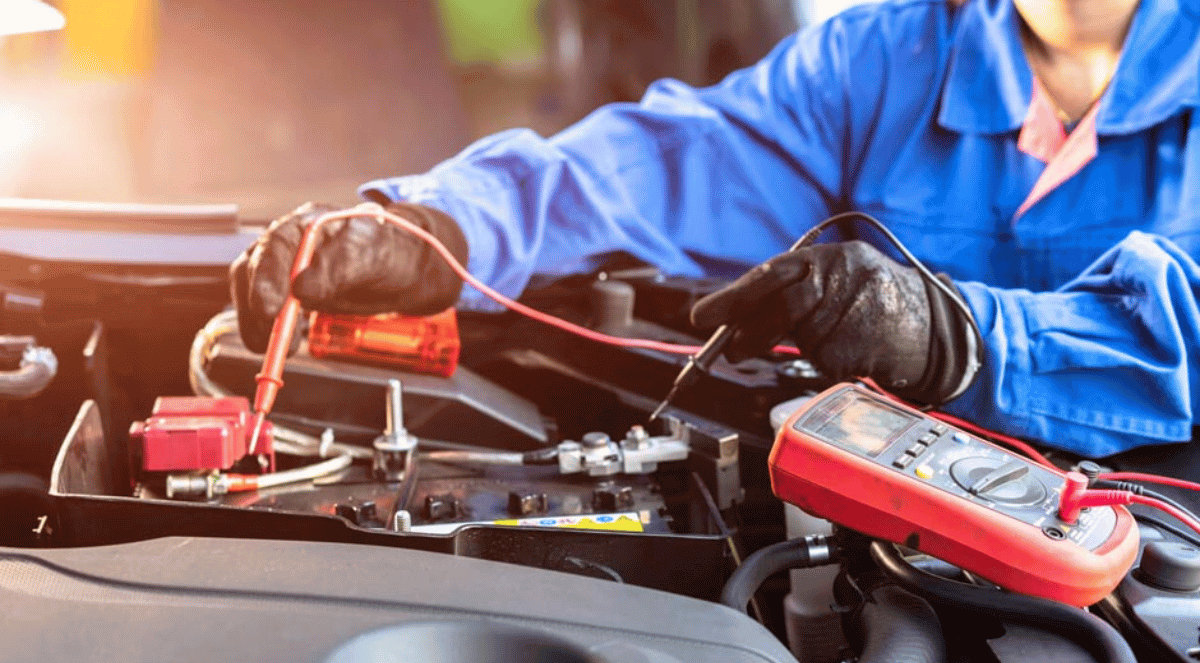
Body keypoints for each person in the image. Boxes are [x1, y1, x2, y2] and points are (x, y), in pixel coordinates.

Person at [231, 0, 1200, 459]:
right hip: (887, 536)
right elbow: (666, 162)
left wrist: (964, 339)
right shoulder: (884, 60)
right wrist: (442, 224)